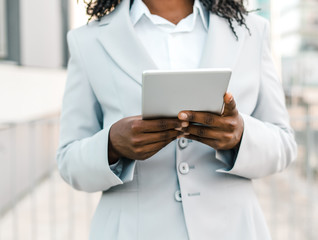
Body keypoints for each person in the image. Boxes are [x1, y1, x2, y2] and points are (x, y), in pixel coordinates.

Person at [56, 0, 297, 239]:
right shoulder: (88, 41)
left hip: (232, 229)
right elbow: (69, 160)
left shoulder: (251, 32)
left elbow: (284, 144)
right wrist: (111, 146)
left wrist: (241, 136)